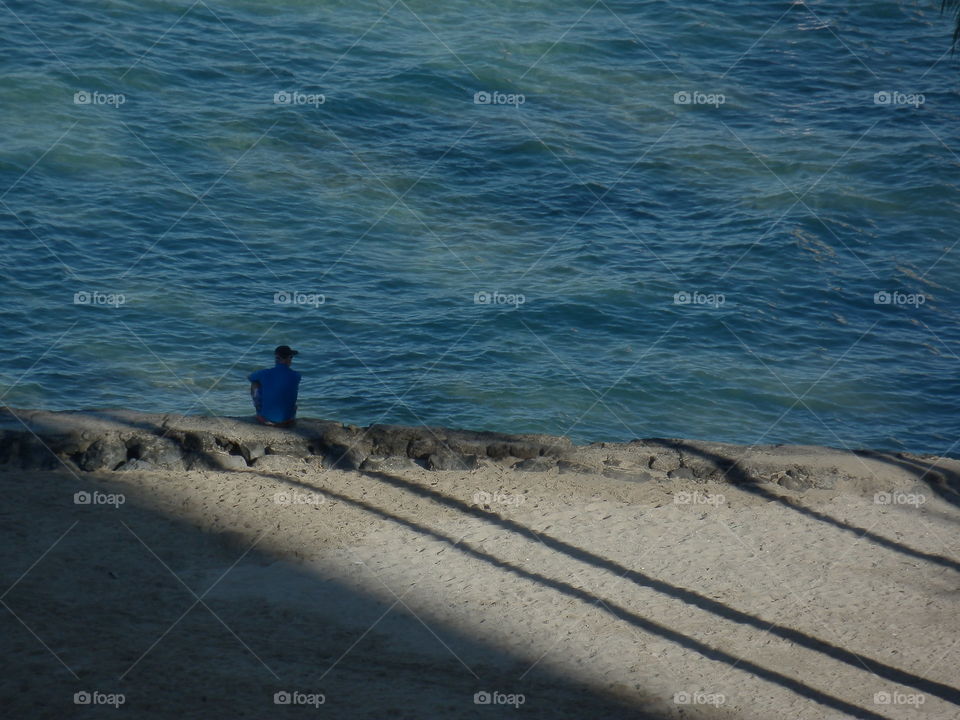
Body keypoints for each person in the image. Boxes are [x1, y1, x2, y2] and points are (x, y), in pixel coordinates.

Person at [248, 345, 301, 427]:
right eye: (291, 357)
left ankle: (260, 411)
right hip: (288, 420)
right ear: (289, 358)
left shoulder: (264, 373)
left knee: (255, 383)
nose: (291, 360)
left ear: (276, 358)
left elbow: (250, 377)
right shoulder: (297, 375)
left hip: (265, 420)